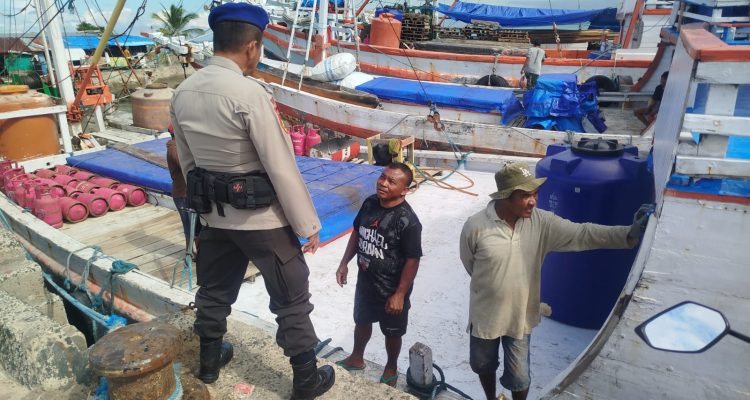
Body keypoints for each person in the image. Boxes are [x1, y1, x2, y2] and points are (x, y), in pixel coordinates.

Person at [170, 3, 335, 398]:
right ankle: (306, 380)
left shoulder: (182, 92)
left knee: (213, 292)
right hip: (262, 221)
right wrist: (307, 226)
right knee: (291, 297)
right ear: (252, 46)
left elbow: (188, 161)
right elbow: (281, 166)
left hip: (215, 218)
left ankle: (209, 363)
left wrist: (204, 210)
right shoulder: (250, 93)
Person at [459, 163, 649, 400]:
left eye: (535, 194)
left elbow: (582, 233)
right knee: (483, 364)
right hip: (485, 315)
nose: (533, 201)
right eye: (525, 195)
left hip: (520, 316)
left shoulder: (541, 223)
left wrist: (629, 233)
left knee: (520, 378)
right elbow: (470, 264)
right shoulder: (475, 226)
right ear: (505, 197)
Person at [335, 162, 423, 387]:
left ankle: (391, 367)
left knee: (392, 332)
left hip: (391, 289)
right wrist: (344, 263)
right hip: (366, 282)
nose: (383, 183)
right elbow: (357, 232)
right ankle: (356, 357)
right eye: (382, 177)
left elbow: (413, 259)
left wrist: (400, 294)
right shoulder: (369, 203)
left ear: (404, 190)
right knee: (361, 321)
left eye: (392, 181)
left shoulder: (407, 221)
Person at [166, 124, 201, 251]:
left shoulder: (178, 147)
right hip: (183, 194)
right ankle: (192, 253)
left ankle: (193, 252)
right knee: (191, 226)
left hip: (186, 193)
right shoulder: (174, 148)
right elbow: (185, 166)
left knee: (194, 226)